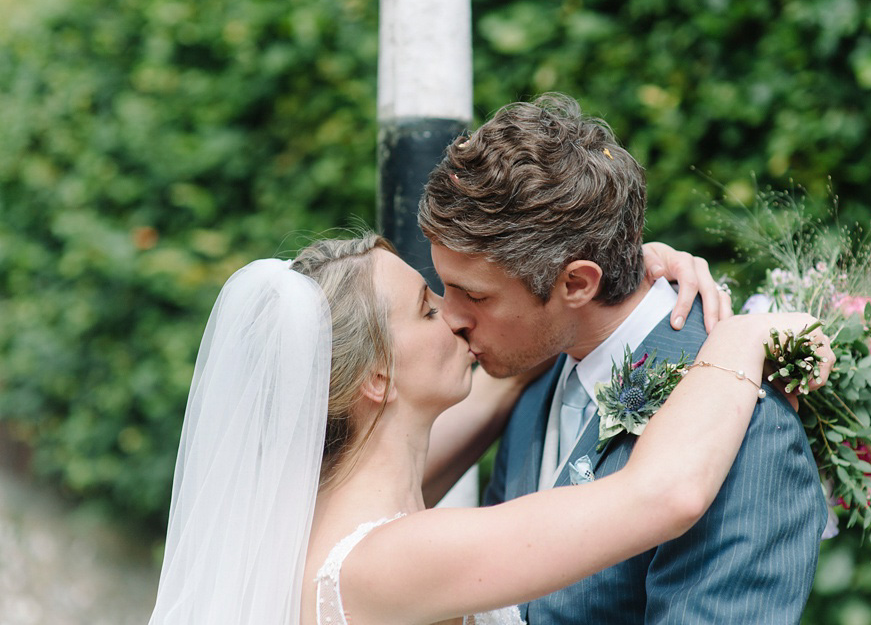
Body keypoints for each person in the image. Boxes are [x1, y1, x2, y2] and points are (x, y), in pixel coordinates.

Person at [147, 232, 834, 625]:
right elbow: (662, 494)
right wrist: (743, 336)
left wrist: (609, 282)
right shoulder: (389, 559)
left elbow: (515, 361)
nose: (455, 317)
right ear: (377, 379)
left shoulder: (317, 509)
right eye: (425, 307)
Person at [418, 93, 830, 624]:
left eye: (475, 296)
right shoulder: (533, 378)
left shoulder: (746, 426)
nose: (451, 316)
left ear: (577, 283)